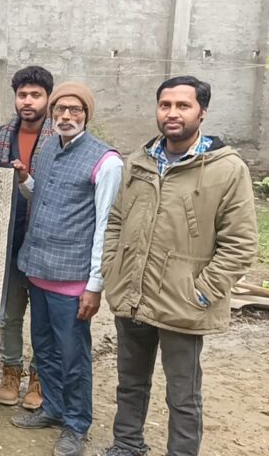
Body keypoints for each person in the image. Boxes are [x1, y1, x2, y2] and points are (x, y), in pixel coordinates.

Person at [101, 76, 258, 456]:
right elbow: (117, 220)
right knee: (130, 382)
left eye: (182, 106)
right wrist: (112, 269)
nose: (172, 113)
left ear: (201, 112)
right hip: (133, 293)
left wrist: (201, 291)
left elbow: (241, 243)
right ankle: (127, 444)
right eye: (165, 105)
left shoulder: (226, 169)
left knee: (183, 393)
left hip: (183, 303)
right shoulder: (138, 161)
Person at [9, 82, 122, 456]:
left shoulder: (106, 161)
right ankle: (53, 408)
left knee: (73, 357)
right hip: (38, 270)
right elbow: (45, 194)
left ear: (87, 114)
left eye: (75, 110)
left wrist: (95, 285)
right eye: (60, 110)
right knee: (44, 350)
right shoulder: (47, 149)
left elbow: (106, 225)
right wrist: (26, 179)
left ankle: (76, 424)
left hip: (73, 281)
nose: (67, 116)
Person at [0, 66, 55, 410]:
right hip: (8, 239)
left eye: (35, 95)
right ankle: (10, 372)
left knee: (43, 318)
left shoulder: (59, 137)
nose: (28, 101)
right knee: (10, 314)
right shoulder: (0, 135)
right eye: (22, 95)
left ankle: (38, 376)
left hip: (44, 243)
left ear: (48, 98)